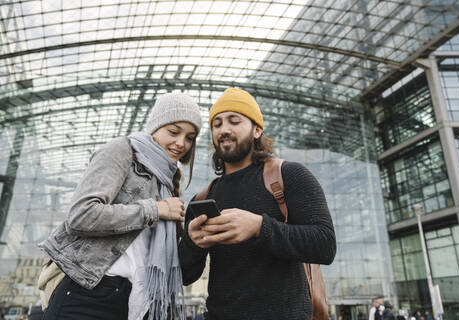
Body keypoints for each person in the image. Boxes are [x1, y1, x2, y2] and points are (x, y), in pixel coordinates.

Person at [39, 92, 203, 320]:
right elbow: (81, 215)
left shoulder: (166, 181)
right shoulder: (123, 150)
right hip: (88, 293)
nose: (181, 143)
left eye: (189, 137)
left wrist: (194, 241)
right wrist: (155, 210)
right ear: (155, 126)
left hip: (132, 301)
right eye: (174, 132)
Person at [178, 87, 336, 319]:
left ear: (257, 130)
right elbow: (184, 275)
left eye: (234, 121)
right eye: (217, 124)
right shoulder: (202, 199)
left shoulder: (289, 175)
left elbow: (325, 245)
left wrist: (259, 227)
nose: (224, 130)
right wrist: (192, 244)